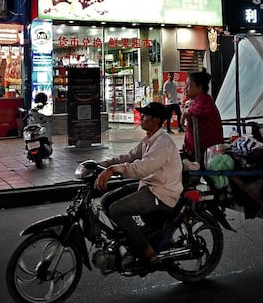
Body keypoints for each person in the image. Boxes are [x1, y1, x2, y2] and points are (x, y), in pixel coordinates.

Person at [95, 102, 182, 269]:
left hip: (162, 192)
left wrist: (114, 170)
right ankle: (130, 237)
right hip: (149, 185)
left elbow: (142, 168)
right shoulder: (149, 139)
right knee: (107, 199)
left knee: (117, 210)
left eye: (145, 115)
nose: (141, 118)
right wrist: (104, 164)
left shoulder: (163, 142)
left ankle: (148, 253)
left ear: (156, 120)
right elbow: (129, 156)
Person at [181, 69, 224, 163]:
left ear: (199, 87)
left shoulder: (205, 99)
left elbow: (199, 111)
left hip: (207, 153)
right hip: (201, 150)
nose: (186, 88)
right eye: (186, 85)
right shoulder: (197, 100)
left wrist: (186, 113)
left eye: (189, 85)